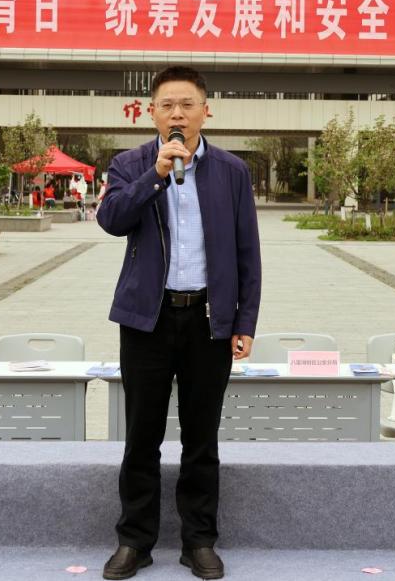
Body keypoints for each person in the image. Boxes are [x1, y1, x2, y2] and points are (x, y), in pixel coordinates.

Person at [97, 65, 261, 581]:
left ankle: (199, 541)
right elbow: (111, 219)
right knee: (141, 436)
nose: (177, 113)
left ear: (205, 111)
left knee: (201, 437)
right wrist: (156, 174)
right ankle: (134, 541)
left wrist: (245, 320)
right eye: (167, 105)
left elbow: (247, 252)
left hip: (209, 321)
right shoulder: (130, 164)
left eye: (187, 104)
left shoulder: (232, 171)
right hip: (146, 319)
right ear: (151, 113)